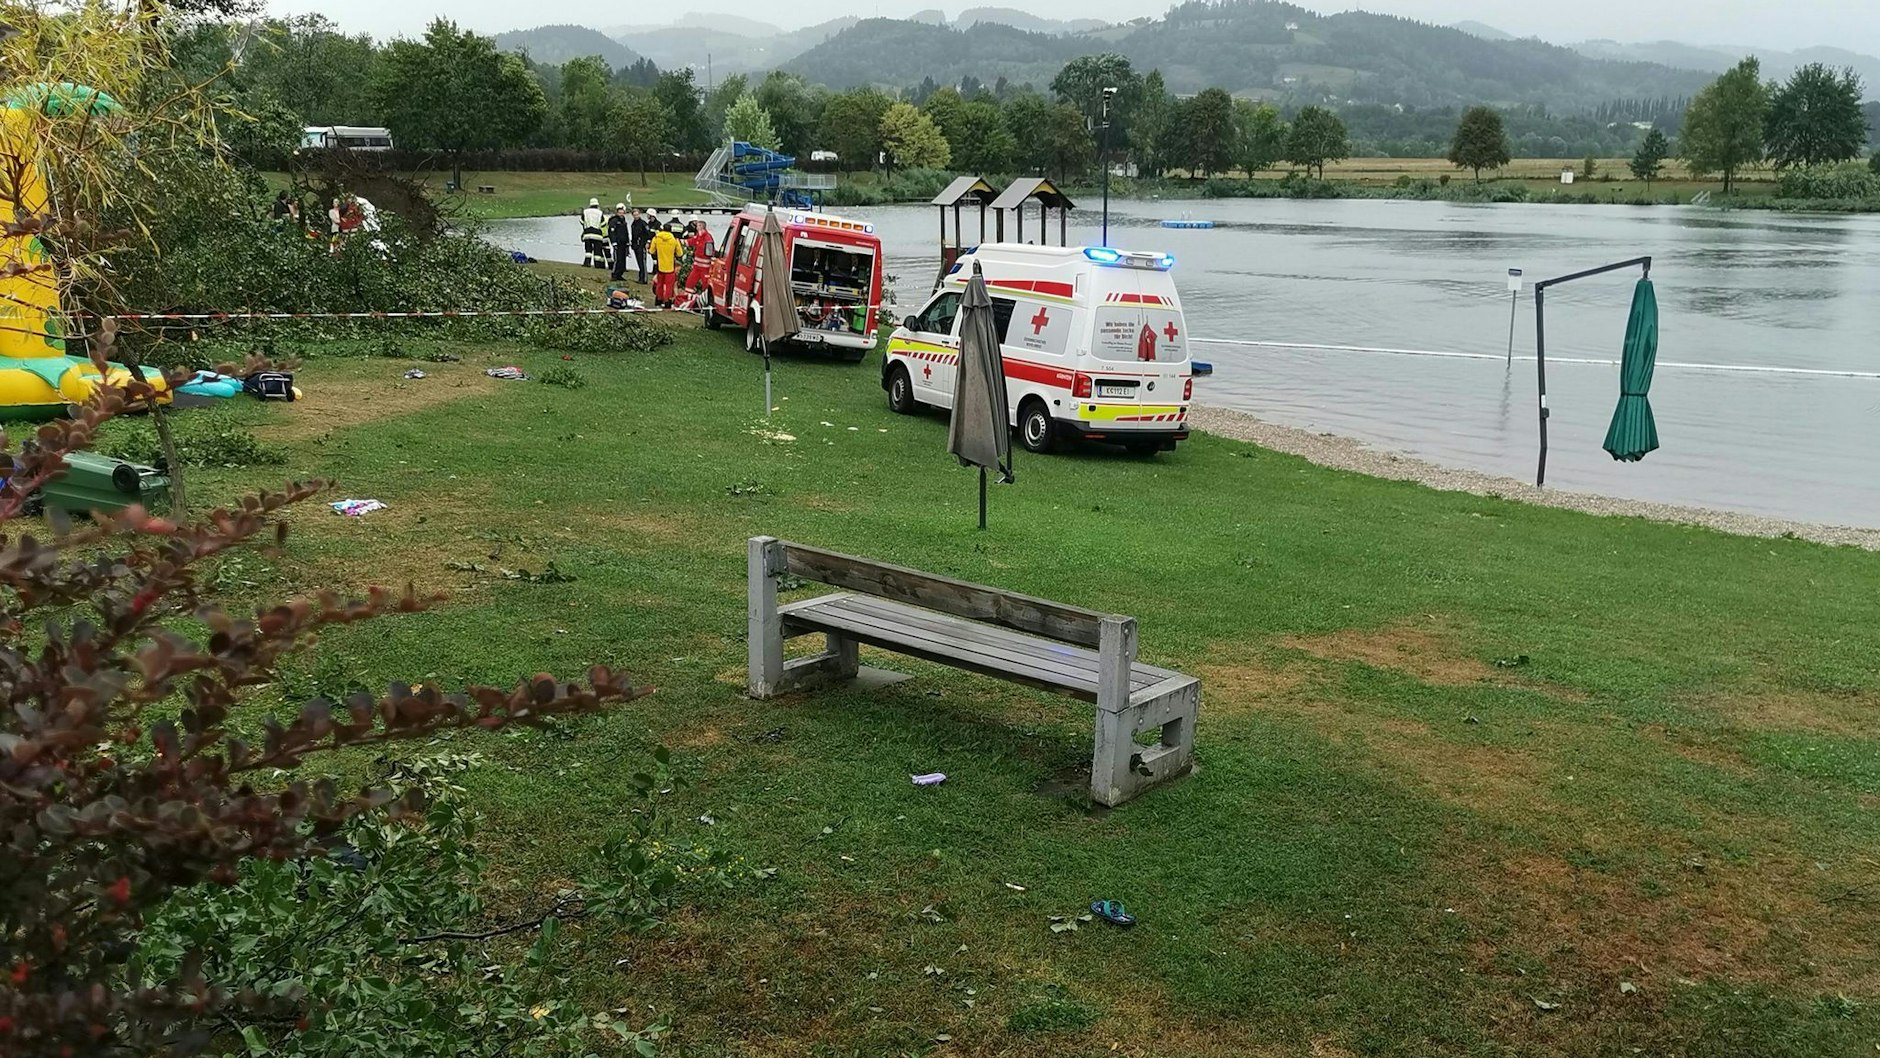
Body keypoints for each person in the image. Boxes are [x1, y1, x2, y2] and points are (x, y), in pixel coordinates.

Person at [649, 222, 681, 308]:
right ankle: (667, 302)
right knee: (669, 286)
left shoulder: (656, 238)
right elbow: (680, 253)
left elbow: (651, 251)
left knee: (659, 284)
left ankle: (658, 300)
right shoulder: (674, 239)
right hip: (670, 266)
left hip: (660, 265)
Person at [683, 219, 715, 294]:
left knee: (706, 285)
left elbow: (710, 252)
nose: (696, 227)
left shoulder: (708, 238)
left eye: (697, 226)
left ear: (701, 226)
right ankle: (688, 297)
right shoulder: (699, 236)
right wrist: (677, 242)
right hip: (697, 267)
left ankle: (705, 300)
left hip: (705, 268)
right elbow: (690, 242)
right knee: (689, 283)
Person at [606, 203, 632, 282]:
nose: (621, 214)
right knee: (617, 259)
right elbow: (611, 232)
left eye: (622, 212)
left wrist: (628, 241)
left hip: (624, 243)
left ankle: (620, 274)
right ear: (617, 213)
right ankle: (614, 274)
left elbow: (626, 232)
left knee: (623, 259)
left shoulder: (623, 221)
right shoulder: (614, 221)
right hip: (617, 243)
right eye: (619, 212)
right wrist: (613, 242)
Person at [580, 197, 606, 269]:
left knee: (588, 250)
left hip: (587, 233)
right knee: (597, 250)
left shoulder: (585, 212)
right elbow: (603, 224)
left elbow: (581, 222)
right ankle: (597, 265)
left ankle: (587, 263)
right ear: (597, 205)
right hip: (597, 234)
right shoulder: (600, 212)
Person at [629, 208, 651, 284]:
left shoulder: (643, 223)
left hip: (642, 245)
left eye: (637, 214)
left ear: (639, 214)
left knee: (643, 262)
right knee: (639, 262)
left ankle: (644, 279)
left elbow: (648, 234)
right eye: (634, 215)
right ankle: (640, 278)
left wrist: (647, 243)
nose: (636, 216)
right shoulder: (633, 224)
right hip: (636, 246)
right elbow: (633, 235)